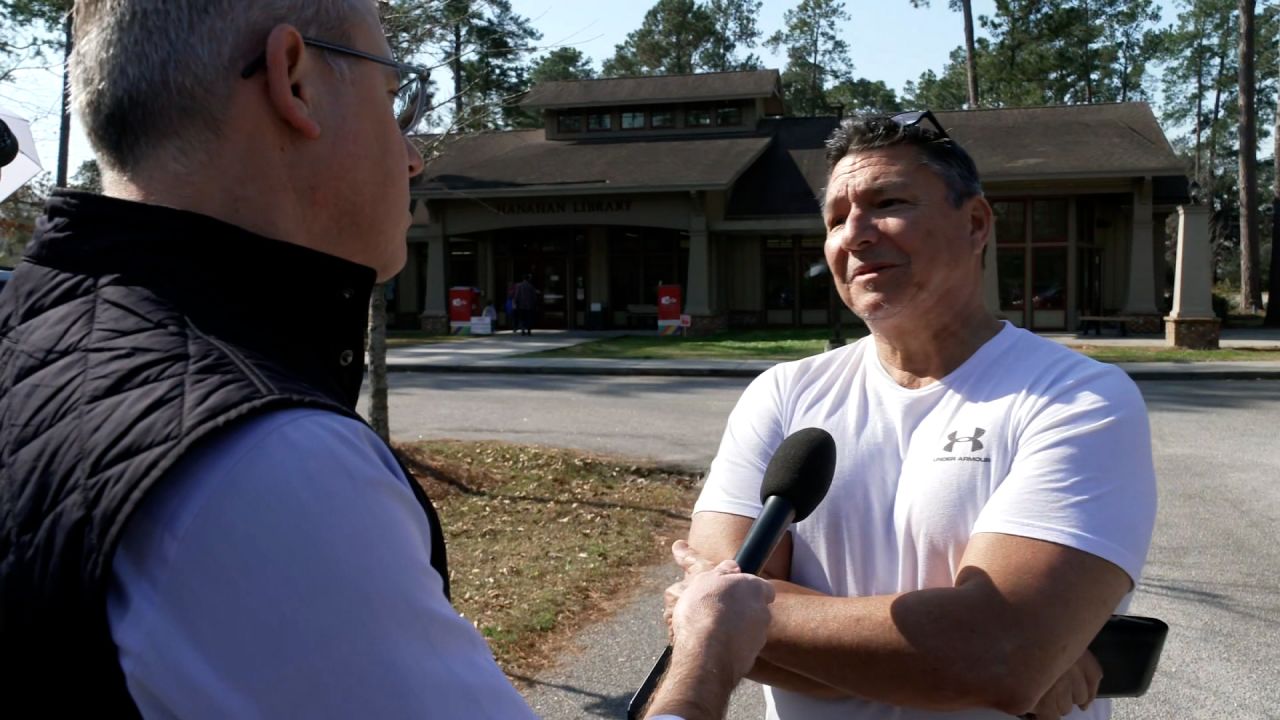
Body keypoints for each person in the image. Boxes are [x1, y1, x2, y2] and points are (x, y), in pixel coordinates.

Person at [0, 2, 775, 718]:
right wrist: (705, 658)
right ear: (294, 80)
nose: (411, 156)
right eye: (396, 98)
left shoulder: (25, 334)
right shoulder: (261, 463)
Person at [674, 111, 1157, 720]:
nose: (854, 234)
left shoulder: (1077, 398)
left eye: (886, 202)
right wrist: (972, 663)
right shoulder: (782, 394)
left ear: (976, 222)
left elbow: (998, 654)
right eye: (835, 219)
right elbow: (996, 661)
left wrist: (726, 617)